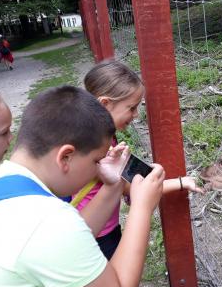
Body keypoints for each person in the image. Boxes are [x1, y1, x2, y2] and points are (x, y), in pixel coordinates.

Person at [0, 86, 165, 287]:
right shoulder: (48, 221)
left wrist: (113, 185)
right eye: (97, 161)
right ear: (65, 157)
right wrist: (141, 207)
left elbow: (73, 237)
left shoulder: (0, 182)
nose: (98, 168)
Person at [76, 59, 204, 260]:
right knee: (114, 286)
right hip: (99, 236)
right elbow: (130, 188)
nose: (136, 115)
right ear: (105, 104)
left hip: (100, 227)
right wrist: (179, 182)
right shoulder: (97, 148)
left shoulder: (94, 135)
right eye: (131, 108)